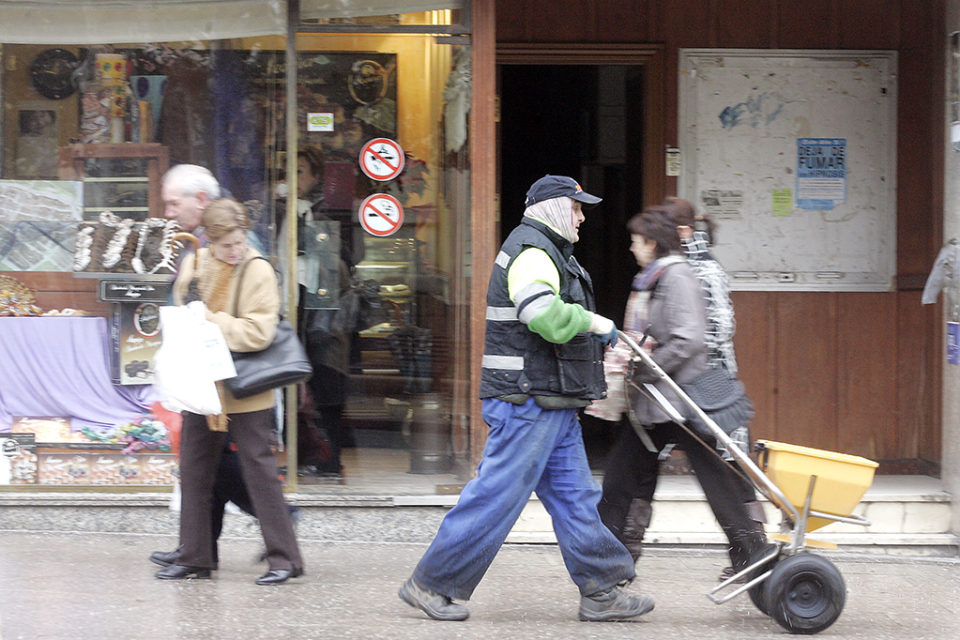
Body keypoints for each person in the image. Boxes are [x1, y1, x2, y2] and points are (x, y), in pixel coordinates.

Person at [398, 175, 654, 623]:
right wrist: (595, 323)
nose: (581, 218)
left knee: (576, 497)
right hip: (527, 401)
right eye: (576, 209)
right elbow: (542, 315)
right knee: (496, 496)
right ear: (554, 208)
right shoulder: (533, 252)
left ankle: (602, 591)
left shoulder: (547, 252)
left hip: (549, 401)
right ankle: (432, 583)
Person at [596, 207, 768, 578]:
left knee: (714, 479)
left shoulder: (677, 276)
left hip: (682, 396)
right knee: (629, 477)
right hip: (664, 399)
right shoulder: (658, 276)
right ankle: (609, 562)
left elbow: (691, 337)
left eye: (635, 240)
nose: (630, 247)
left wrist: (643, 364)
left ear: (653, 242)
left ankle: (753, 554)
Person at [151, 164, 295, 569]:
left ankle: (285, 559)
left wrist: (210, 322)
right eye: (226, 244)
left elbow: (259, 332)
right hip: (204, 387)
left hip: (247, 389)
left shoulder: (258, 268)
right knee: (195, 472)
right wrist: (187, 303)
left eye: (239, 242)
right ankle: (195, 555)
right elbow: (181, 309)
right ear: (211, 242)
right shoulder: (199, 263)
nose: (235, 250)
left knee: (260, 474)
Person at [663, 195, 765, 580]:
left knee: (730, 467)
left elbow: (722, 328)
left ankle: (751, 553)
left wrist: (682, 347)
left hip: (712, 386)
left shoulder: (705, 269)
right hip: (684, 385)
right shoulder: (677, 267)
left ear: (684, 232)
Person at [277, 147, 363, 481]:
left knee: (326, 383)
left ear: (314, 177)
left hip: (323, 307)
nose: (292, 179)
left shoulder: (331, 211)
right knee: (287, 382)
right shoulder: (275, 209)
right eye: (287, 172)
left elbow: (351, 255)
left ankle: (330, 459)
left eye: (300, 171)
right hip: (287, 304)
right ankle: (297, 456)